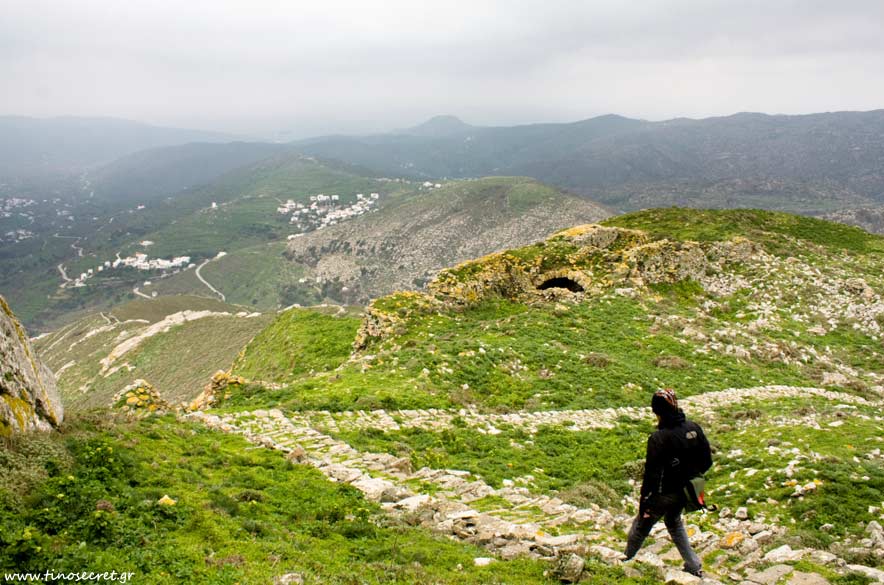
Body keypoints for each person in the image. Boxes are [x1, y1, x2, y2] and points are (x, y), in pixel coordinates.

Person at [624, 388, 712, 578]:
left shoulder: (658, 438)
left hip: (664, 493)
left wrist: (645, 500)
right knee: (674, 522)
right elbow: (707, 461)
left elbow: (652, 475)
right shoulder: (694, 428)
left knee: (641, 525)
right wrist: (691, 476)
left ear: (657, 412)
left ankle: (625, 560)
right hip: (688, 491)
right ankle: (693, 565)